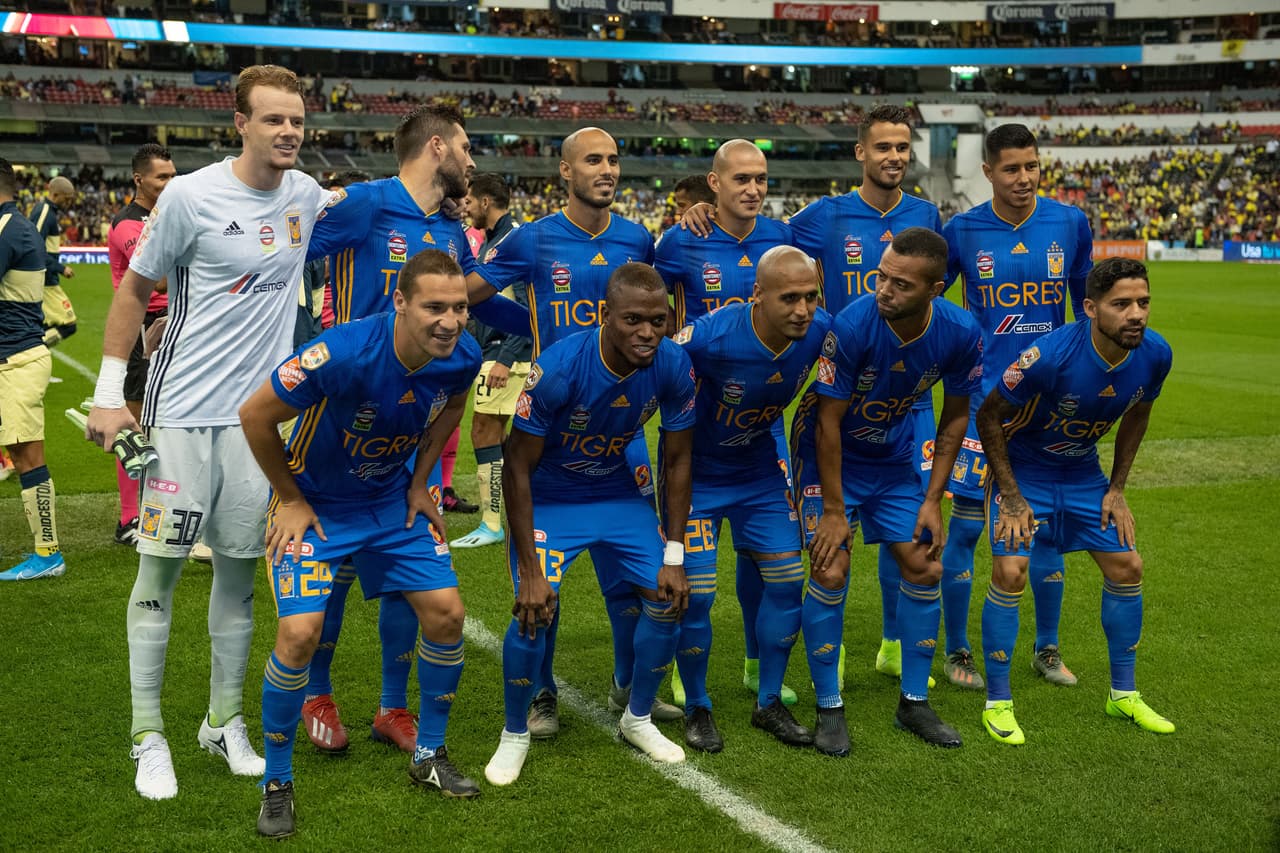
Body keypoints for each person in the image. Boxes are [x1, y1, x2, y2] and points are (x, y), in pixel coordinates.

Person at [85, 65, 337, 801]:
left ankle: (222, 722)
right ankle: (147, 734)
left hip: (255, 426)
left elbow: (373, 203)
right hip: (181, 418)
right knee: (159, 572)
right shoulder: (190, 196)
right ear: (240, 123)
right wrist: (109, 397)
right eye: (273, 119)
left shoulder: (305, 194)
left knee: (237, 574)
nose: (287, 131)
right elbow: (135, 289)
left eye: (297, 120)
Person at [297, 103, 516, 756]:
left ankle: (393, 707)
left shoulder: (450, 229)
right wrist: (303, 342)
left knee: (402, 564)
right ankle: (316, 693)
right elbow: (285, 256)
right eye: (467, 147)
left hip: (407, 420)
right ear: (438, 147)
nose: (473, 161)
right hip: (338, 414)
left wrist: (536, 317)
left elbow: (463, 303)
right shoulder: (366, 204)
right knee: (333, 564)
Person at [241, 249, 483, 837]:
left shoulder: (464, 356)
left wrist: (421, 481)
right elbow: (254, 416)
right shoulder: (341, 352)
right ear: (400, 302)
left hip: (390, 502)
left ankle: (429, 755)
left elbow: (454, 404)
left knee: (447, 615)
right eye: (434, 307)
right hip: (317, 507)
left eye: (459, 308)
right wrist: (290, 499)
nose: (450, 321)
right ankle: (277, 782)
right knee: (299, 635)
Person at [467, 127, 676, 737]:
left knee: (628, 574)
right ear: (564, 171)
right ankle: (541, 693)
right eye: (592, 160)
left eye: (613, 159)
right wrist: (529, 325)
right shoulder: (533, 238)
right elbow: (473, 296)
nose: (606, 169)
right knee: (544, 573)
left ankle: (626, 684)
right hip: (551, 423)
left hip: (622, 428)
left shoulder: (637, 239)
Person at [484, 263, 695, 786]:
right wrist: (530, 570)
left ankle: (637, 718)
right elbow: (517, 466)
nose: (647, 333)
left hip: (615, 493)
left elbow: (678, 460)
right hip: (551, 500)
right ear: (605, 314)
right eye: (632, 320)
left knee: (668, 596)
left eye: (658, 321)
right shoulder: (560, 368)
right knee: (534, 608)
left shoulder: (673, 363)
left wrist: (675, 554)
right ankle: (514, 732)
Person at [793, 227, 981, 753]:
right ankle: (829, 706)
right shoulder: (853, 326)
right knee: (830, 567)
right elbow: (827, 423)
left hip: (893, 461)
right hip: (828, 459)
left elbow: (955, 418)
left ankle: (913, 703)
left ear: (935, 289)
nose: (884, 290)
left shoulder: (960, 332)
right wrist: (834, 511)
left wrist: (932, 500)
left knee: (925, 564)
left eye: (901, 284)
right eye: (881, 277)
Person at [975, 257, 1174, 745]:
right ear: (1090, 308)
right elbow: (988, 417)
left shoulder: (1155, 354)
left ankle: (1123, 695)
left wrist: (1117, 488)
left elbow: (1138, 415)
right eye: (1121, 304)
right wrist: (1012, 497)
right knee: (1010, 571)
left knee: (1128, 566)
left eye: (1143, 302)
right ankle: (998, 703)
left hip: (1083, 473)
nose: (1136, 314)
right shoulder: (1047, 356)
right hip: (1024, 471)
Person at [790, 104, 945, 689]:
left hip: (909, 400)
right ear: (861, 152)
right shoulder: (824, 215)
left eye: (902, 147)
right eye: (883, 147)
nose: (894, 157)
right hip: (844, 388)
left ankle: (893, 645)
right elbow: (760, 243)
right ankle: (829, 658)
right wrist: (701, 208)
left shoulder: (926, 214)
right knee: (838, 536)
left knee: (907, 527)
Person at [939, 122, 1093, 692]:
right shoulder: (962, 230)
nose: (1024, 178)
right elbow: (932, 301)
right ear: (988, 172)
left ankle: (1046, 648)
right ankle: (957, 650)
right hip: (984, 404)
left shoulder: (1070, 223)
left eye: (1032, 166)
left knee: (1046, 533)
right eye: (1011, 169)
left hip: (1048, 408)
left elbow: (1086, 312)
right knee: (964, 531)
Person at [655, 140, 800, 708]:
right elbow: (654, 314)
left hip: (762, 425)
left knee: (766, 559)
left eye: (761, 178)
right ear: (714, 184)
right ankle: (683, 673)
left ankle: (755, 663)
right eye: (741, 178)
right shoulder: (680, 241)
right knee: (695, 579)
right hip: (697, 425)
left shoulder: (783, 238)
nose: (754, 189)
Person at [670, 245, 827, 752]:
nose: (803, 310)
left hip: (759, 473)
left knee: (788, 581)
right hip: (697, 478)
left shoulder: (821, 333)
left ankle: (768, 702)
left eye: (810, 297)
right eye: (789, 299)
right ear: (757, 294)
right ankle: (697, 706)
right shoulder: (712, 336)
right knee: (697, 596)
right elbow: (656, 362)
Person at [451, 172, 528, 549]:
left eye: (469, 201)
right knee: (503, 437)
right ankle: (513, 511)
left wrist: (505, 359)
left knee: (484, 430)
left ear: (485, 201)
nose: (466, 208)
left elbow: (528, 307)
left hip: (507, 354)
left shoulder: (513, 241)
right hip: (495, 350)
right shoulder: (495, 241)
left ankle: (492, 524)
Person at [106, 143, 177, 547]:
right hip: (140, 328)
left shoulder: (166, 214)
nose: (170, 182)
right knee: (133, 421)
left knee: (170, 418)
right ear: (139, 179)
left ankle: (163, 505)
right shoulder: (127, 224)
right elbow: (157, 278)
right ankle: (128, 518)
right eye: (161, 177)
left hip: (173, 323)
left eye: (173, 175)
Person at [0, 156, 65, 581]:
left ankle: (48, 554)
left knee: (27, 456)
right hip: (16, 356)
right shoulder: (15, 224)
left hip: (17, 360)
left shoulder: (8, 227)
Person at [28, 175, 78, 348]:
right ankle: (29, 351)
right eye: (67, 198)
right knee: (68, 324)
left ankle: (30, 356)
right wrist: (60, 268)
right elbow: (33, 246)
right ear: (55, 195)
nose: (69, 203)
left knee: (43, 326)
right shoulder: (44, 212)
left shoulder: (48, 212)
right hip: (46, 282)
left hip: (45, 280)